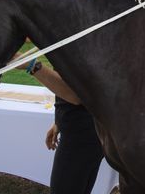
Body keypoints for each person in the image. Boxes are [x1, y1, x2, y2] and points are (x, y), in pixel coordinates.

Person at [15, 55, 109, 194]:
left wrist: (32, 65)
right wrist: (59, 121)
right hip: (87, 130)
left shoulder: (78, 42)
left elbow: (74, 95)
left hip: (83, 135)